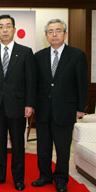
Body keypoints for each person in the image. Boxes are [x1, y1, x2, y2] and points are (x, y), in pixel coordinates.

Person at [32, 19, 88, 192]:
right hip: (43, 109)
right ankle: (45, 176)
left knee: (63, 148)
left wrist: (81, 107)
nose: (54, 34)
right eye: (50, 31)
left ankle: (61, 179)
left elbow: (82, 83)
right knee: (43, 146)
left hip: (65, 109)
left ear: (65, 33)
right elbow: (34, 84)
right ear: (46, 35)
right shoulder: (39, 56)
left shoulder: (77, 55)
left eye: (58, 30)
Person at [0, 15, 35, 191]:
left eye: (8, 26)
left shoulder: (26, 52)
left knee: (17, 144)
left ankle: (18, 179)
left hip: (18, 106)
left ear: (14, 29)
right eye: (1, 27)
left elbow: (30, 81)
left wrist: (29, 104)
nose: (4, 30)